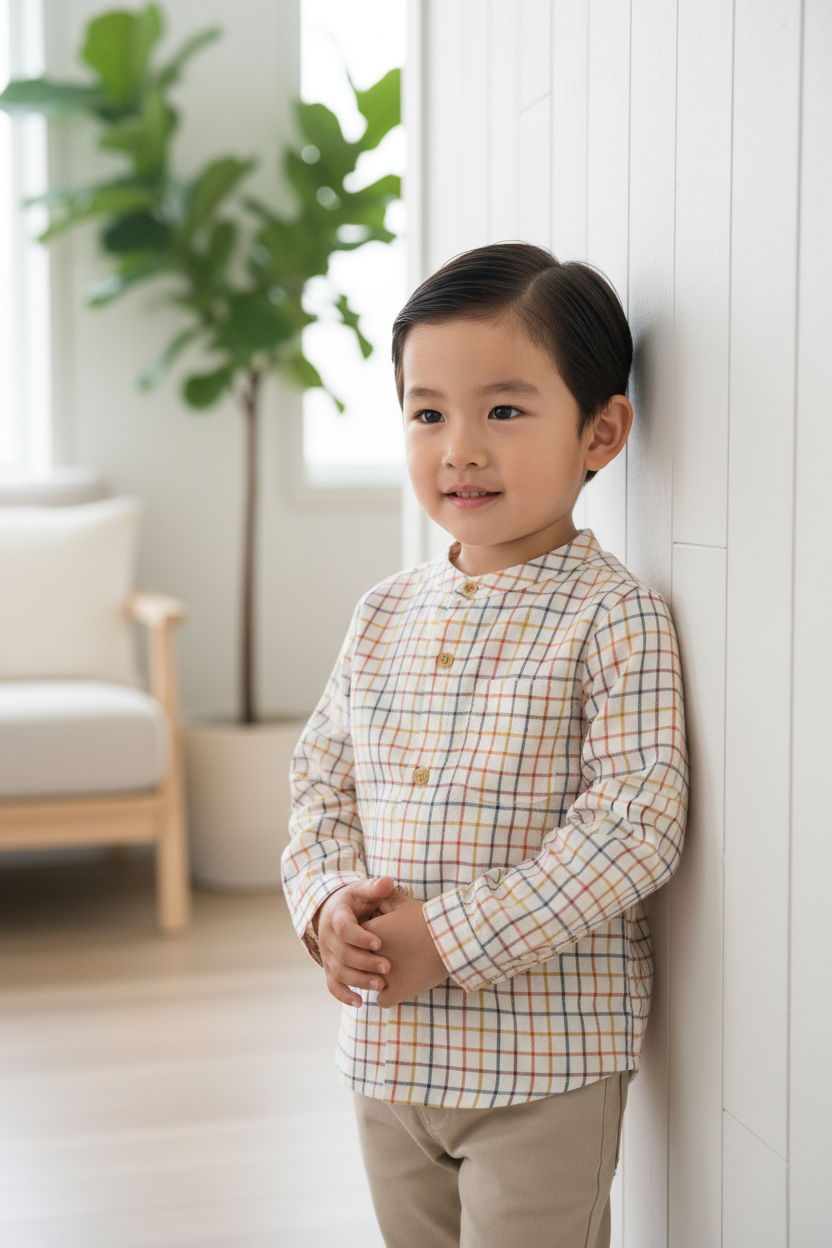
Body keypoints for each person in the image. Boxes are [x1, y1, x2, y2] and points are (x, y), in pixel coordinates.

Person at [281, 242, 688, 1248]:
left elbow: (634, 828)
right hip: (386, 1056)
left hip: (543, 1064)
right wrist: (325, 904)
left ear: (600, 432)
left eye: (503, 411)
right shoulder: (383, 612)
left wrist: (448, 940)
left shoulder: (612, 616)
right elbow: (320, 785)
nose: (459, 449)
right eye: (428, 414)